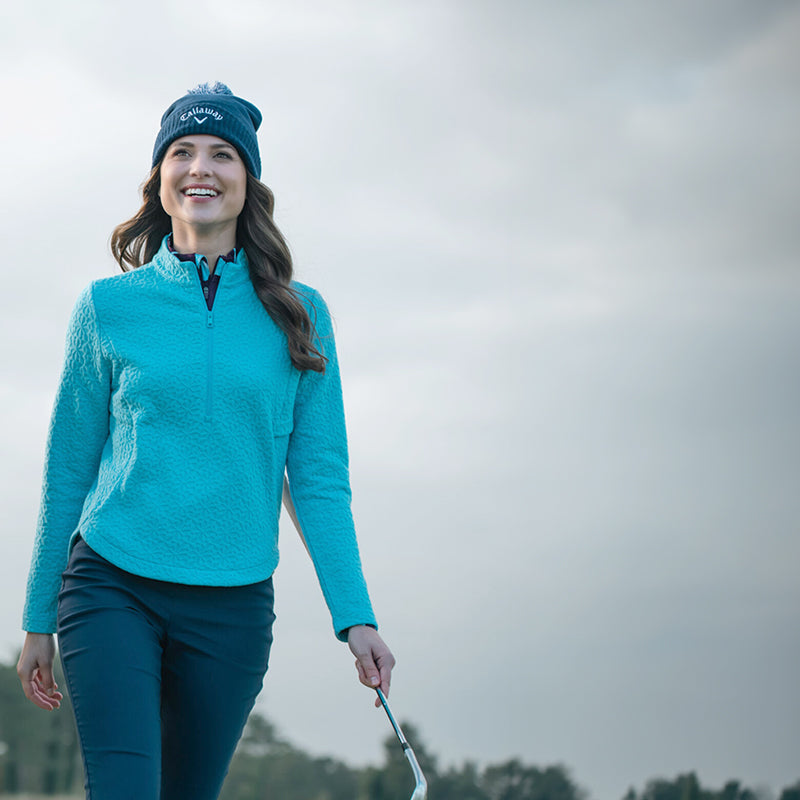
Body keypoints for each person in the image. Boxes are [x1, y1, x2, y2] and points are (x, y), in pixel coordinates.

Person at [16, 81, 394, 800]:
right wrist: (38, 617)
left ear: (247, 182)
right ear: (160, 180)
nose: (201, 168)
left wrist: (356, 617)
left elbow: (316, 478)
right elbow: (67, 470)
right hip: (112, 584)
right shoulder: (106, 309)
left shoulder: (302, 316)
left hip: (232, 607)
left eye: (223, 154)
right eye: (182, 152)